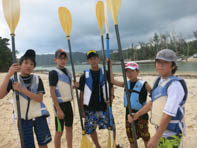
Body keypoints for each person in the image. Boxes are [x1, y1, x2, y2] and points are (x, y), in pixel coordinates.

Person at [128, 49, 188, 148]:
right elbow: (152, 103)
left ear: (173, 66)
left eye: (165, 62)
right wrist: (137, 115)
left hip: (171, 135)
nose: (160, 65)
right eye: (158, 62)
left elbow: (168, 114)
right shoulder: (158, 81)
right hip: (160, 131)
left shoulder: (175, 85)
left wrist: (155, 138)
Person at [0, 49, 52, 148]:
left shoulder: (37, 79)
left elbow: (39, 99)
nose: (29, 65)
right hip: (23, 119)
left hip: (39, 117)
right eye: (26, 63)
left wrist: (22, 90)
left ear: (34, 67)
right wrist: (8, 75)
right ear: (20, 65)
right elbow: (0, 95)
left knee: (43, 144)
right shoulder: (13, 80)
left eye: (32, 64)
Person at [109, 61, 151, 148]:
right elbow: (112, 80)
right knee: (132, 139)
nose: (129, 73)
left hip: (141, 115)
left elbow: (155, 96)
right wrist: (110, 66)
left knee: (146, 138)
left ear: (137, 71)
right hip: (128, 115)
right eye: (127, 71)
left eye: (132, 71)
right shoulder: (125, 84)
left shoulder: (144, 84)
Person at [78, 49, 115, 148]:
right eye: (91, 59)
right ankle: (98, 146)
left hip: (104, 107)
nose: (93, 60)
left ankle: (112, 144)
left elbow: (111, 86)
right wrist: (81, 109)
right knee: (91, 130)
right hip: (90, 108)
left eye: (95, 58)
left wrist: (111, 98)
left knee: (112, 127)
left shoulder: (105, 73)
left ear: (98, 59)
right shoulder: (83, 76)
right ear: (88, 61)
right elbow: (81, 94)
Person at [49, 48, 73, 148]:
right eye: (60, 58)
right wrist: (58, 109)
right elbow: (52, 91)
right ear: (55, 60)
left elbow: (67, 86)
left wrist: (75, 85)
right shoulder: (53, 73)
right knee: (59, 131)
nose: (63, 60)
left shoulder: (68, 71)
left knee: (69, 128)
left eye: (64, 58)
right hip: (59, 105)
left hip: (68, 104)